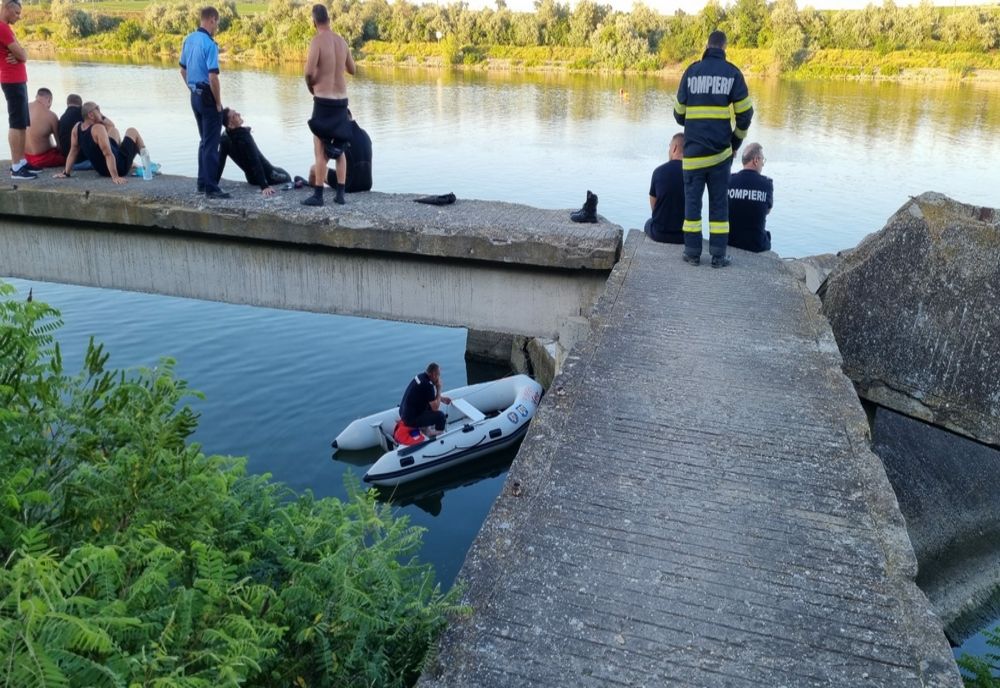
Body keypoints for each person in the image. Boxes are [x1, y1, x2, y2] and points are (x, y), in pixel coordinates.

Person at [674, 30, 753, 268]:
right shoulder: (733, 74)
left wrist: (694, 121)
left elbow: (678, 114)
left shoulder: (691, 71)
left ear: (707, 46)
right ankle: (718, 256)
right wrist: (735, 142)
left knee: (692, 206)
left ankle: (692, 253)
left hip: (693, 157)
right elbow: (746, 114)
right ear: (724, 47)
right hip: (720, 156)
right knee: (719, 207)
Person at [302, 3, 355, 207]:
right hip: (341, 101)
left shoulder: (317, 41)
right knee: (340, 148)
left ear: (314, 21)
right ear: (329, 19)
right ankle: (340, 195)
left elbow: (308, 72)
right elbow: (353, 69)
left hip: (323, 101)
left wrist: (310, 85)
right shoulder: (342, 42)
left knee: (320, 148)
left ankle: (318, 195)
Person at [180, 7, 228, 199]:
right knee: (211, 143)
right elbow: (213, 77)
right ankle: (211, 187)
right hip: (208, 96)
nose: (216, 26)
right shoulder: (210, 44)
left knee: (203, 141)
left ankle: (202, 182)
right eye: (216, 22)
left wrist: (192, 89)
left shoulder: (188, 40)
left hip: (195, 95)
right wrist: (218, 103)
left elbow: (183, 70)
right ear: (211, 20)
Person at [55, 102, 145, 184]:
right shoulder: (98, 128)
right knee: (132, 131)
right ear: (91, 115)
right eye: (97, 109)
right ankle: (147, 164)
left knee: (114, 131)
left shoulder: (77, 128)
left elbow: (73, 152)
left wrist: (66, 173)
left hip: (102, 170)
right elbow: (108, 154)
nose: (100, 112)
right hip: (119, 167)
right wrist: (115, 177)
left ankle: (132, 161)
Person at [216, 107, 290, 196]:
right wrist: (264, 186)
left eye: (236, 112)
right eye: (235, 115)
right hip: (271, 176)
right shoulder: (244, 136)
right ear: (230, 125)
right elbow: (255, 160)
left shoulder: (224, 138)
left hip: (252, 180)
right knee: (288, 177)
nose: (239, 114)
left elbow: (220, 163)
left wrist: (213, 184)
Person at [0, 0, 35, 179]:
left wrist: (21, 55)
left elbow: (23, 54)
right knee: (16, 123)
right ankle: (16, 168)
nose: (19, 17)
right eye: (16, 13)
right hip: (12, 81)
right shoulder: (2, 28)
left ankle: (21, 162)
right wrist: (20, 55)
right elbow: (22, 54)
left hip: (17, 80)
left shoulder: (6, 28)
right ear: (6, 7)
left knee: (22, 123)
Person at [305, 108, 371, 193]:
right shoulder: (365, 134)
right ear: (350, 116)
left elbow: (323, 161)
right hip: (367, 184)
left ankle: (312, 188)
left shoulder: (340, 134)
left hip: (350, 185)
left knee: (314, 169)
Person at [727, 142, 774, 253]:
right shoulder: (767, 184)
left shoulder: (729, 180)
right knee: (767, 236)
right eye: (763, 160)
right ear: (756, 160)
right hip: (756, 244)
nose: (763, 164)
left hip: (729, 240)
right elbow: (767, 211)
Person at [644, 132, 685, 244]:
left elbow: (654, 207)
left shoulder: (658, 172)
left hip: (660, 234)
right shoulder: (694, 174)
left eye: (669, 147)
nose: (668, 151)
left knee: (648, 222)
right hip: (685, 236)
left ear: (674, 148)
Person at [398, 362, 452, 435]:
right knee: (441, 416)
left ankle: (424, 427)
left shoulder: (420, 377)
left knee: (428, 406)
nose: (439, 378)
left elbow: (424, 396)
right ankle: (437, 434)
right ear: (433, 374)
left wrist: (441, 399)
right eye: (438, 375)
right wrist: (439, 388)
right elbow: (435, 408)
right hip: (410, 420)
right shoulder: (428, 386)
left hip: (402, 413)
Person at [25, 87, 65, 169]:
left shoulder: (23, 108)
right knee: (71, 157)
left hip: (26, 158)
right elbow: (60, 145)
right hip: (43, 159)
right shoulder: (51, 116)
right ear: (49, 100)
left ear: (37, 97)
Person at [57, 93, 92, 170]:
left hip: (69, 162)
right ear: (81, 104)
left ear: (67, 104)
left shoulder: (62, 118)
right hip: (84, 161)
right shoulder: (84, 115)